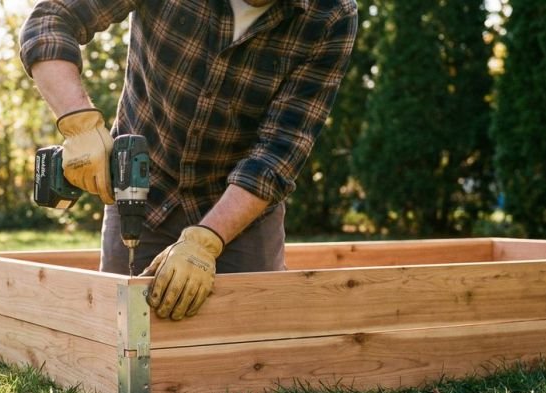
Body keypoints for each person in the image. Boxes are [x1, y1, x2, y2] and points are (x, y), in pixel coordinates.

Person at [20, 0, 357, 320]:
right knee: (120, 330)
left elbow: (280, 150)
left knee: (256, 347)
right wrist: (78, 123)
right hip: (142, 189)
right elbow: (52, 19)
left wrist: (206, 240)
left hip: (238, 208)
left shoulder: (329, 14)